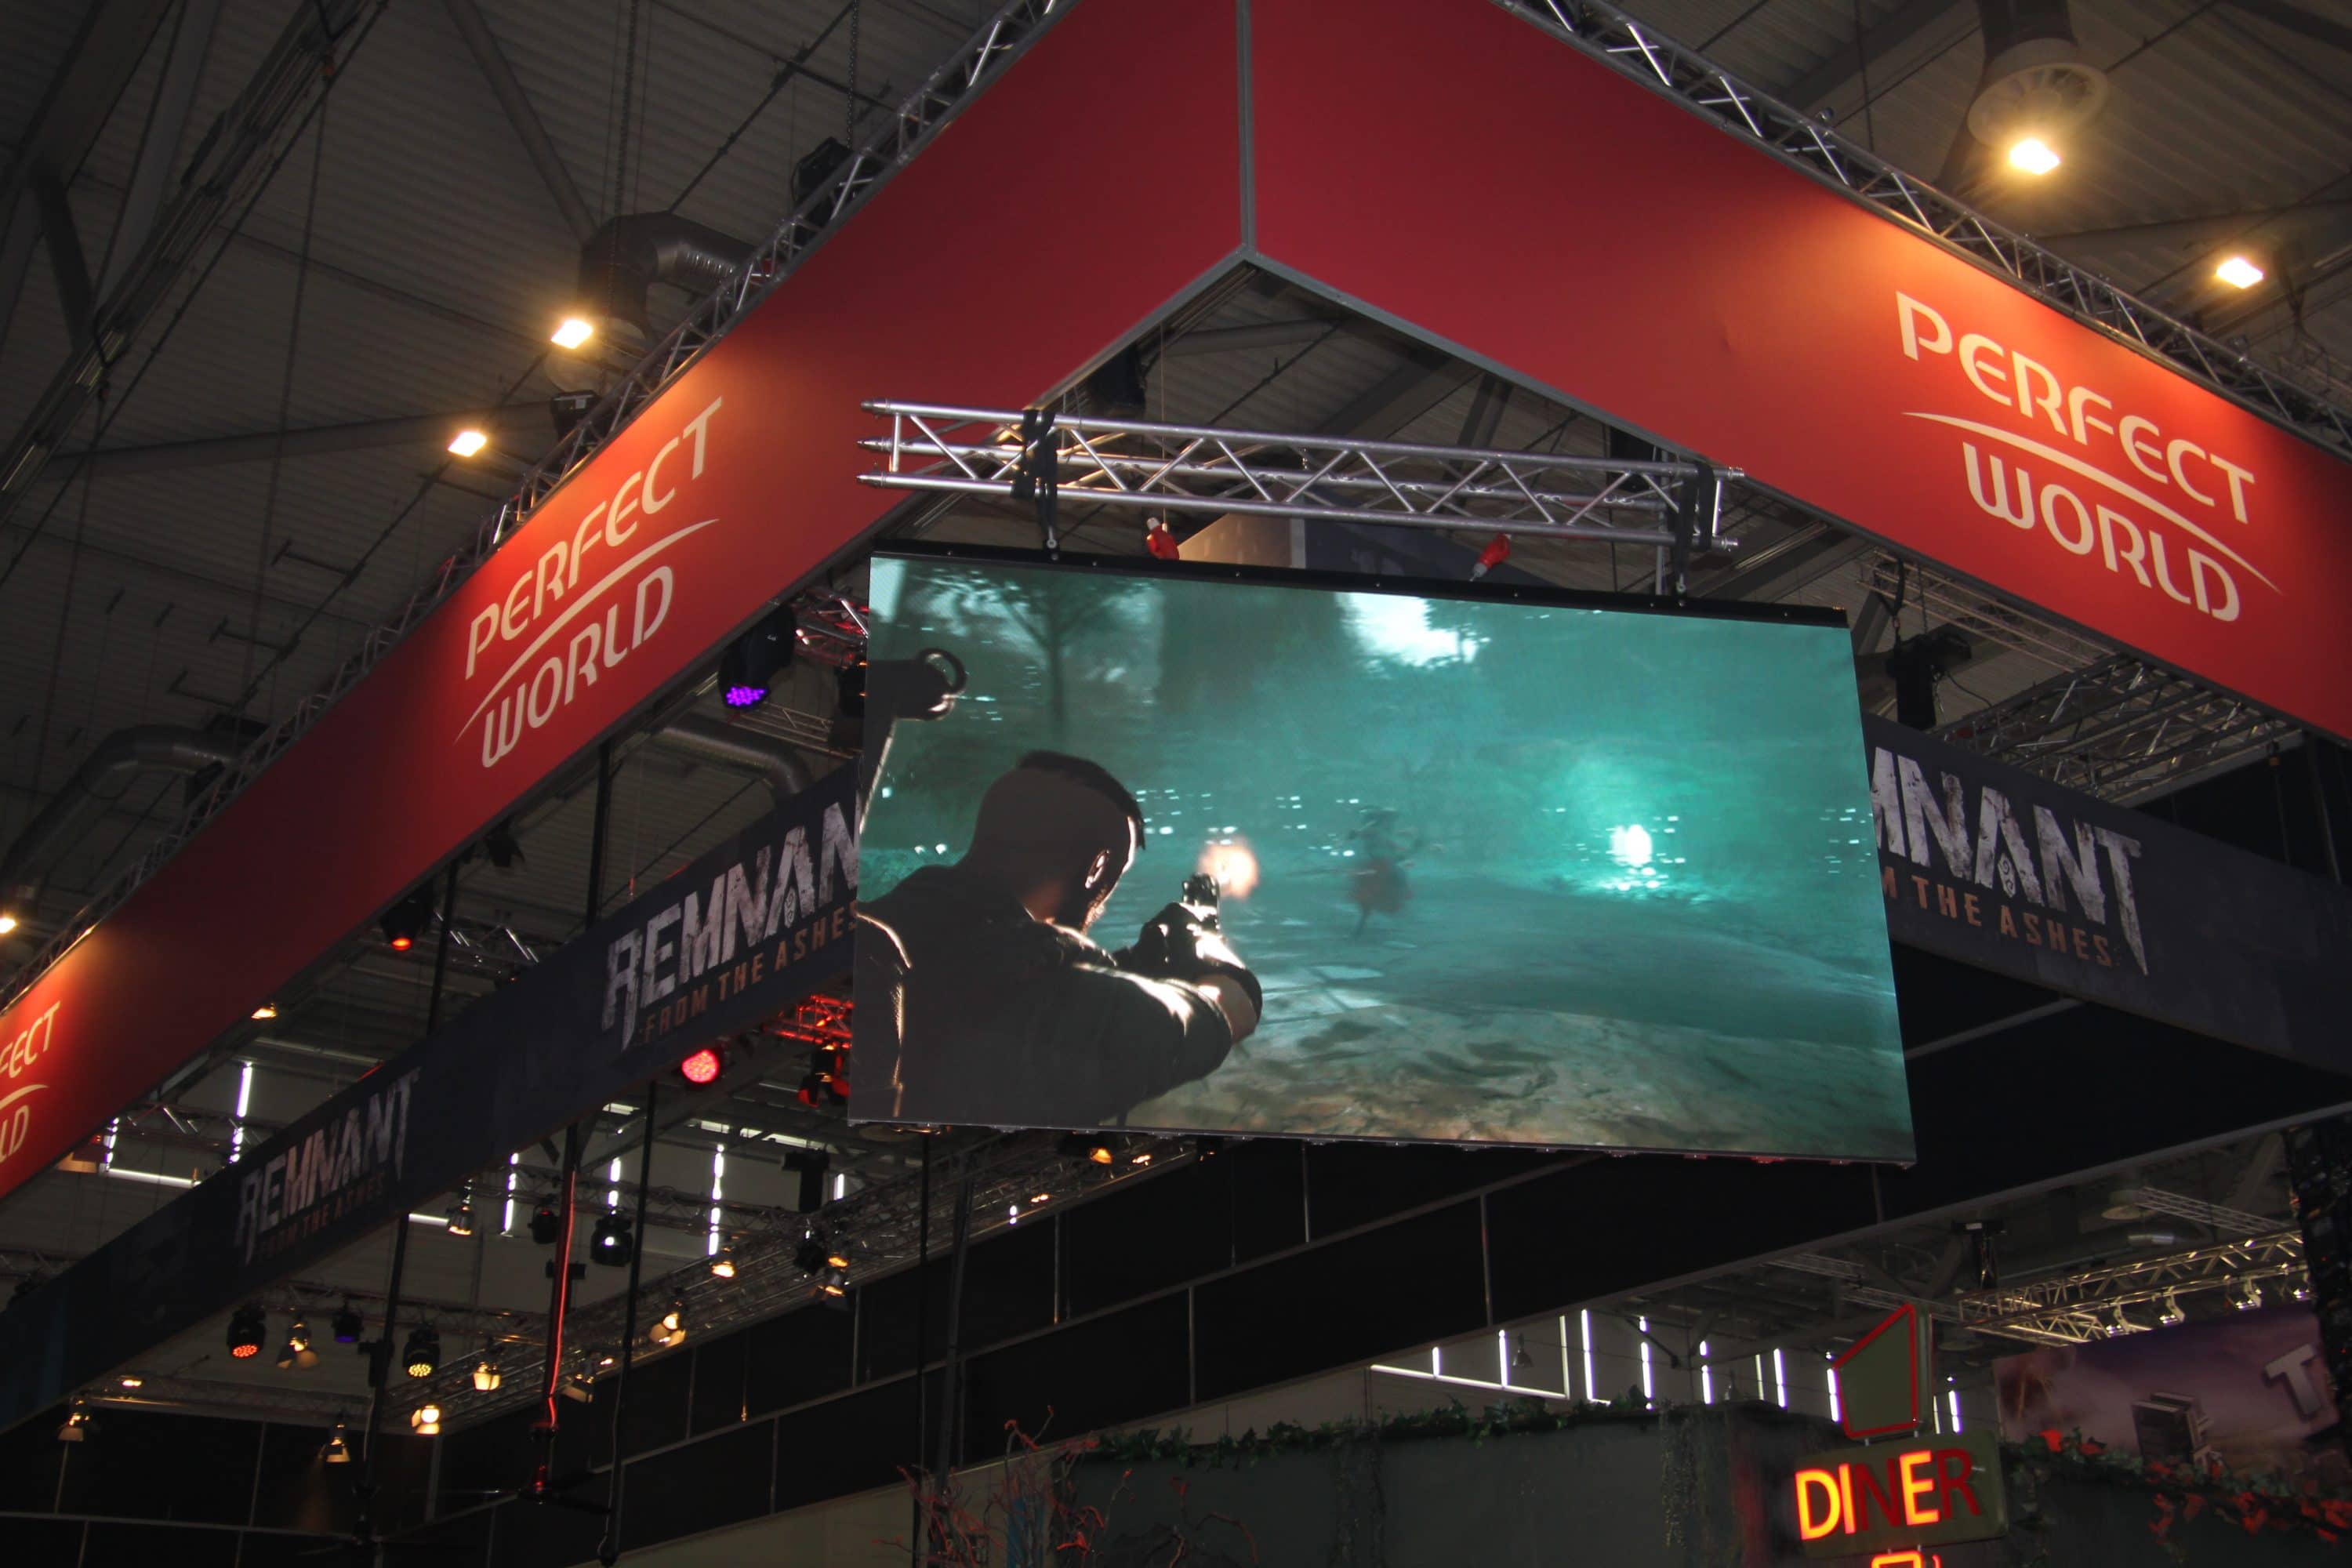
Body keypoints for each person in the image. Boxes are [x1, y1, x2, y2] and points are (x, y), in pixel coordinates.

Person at [855, 751, 1261, 1128]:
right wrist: (1206, 943)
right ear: (1097, 868)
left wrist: (1133, 965)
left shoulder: (883, 925)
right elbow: (1221, 1017)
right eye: (1114, 877)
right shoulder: (1056, 995)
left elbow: (1010, 969)